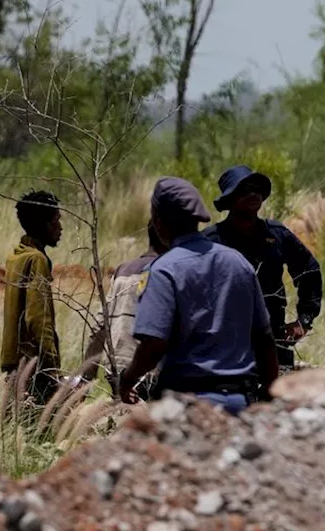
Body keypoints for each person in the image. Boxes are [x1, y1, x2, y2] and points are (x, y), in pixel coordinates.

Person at [119, 177, 279, 415]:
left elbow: (153, 344)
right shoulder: (238, 262)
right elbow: (264, 337)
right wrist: (269, 390)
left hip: (187, 407)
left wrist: (128, 377)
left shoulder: (162, 271)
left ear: (159, 222)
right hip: (239, 403)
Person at [203, 165, 321, 368]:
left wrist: (304, 320)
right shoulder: (211, 241)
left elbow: (309, 270)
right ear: (230, 198)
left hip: (271, 340)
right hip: (221, 346)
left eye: (257, 189)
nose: (254, 194)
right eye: (245, 189)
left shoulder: (276, 235)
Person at [79, 222, 167, 397]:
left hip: (117, 362)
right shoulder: (168, 270)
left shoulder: (123, 270)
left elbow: (100, 325)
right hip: (149, 368)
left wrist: (86, 377)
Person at [0, 190, 64, 402]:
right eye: (56, 220)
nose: (60, 227)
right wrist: (52, 366)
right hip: (33, 367)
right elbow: (38, 318)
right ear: (45, 225)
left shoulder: (16, 256)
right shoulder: (36, 260)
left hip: (14, 366)